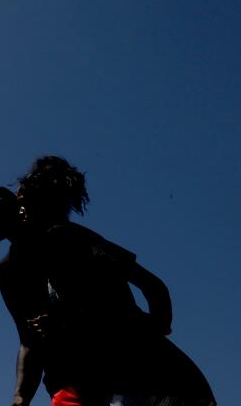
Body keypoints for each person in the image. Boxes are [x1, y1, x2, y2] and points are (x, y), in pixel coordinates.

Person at [18, 156, 216, 406]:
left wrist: (146, 338)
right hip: (133, 380)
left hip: (152, 383)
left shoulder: (68, 240)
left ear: (41, 204)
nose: (19, 211)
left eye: (23, 203)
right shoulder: (53, 251)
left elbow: (152, 288)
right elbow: (153, 289)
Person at [0, 186, 92, 406]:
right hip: (65, 383)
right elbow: (28, 340)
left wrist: (64, 318)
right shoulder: (7, 270)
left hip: (112, 368)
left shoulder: (62, 237)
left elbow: (113, 295)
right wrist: (20, 398)